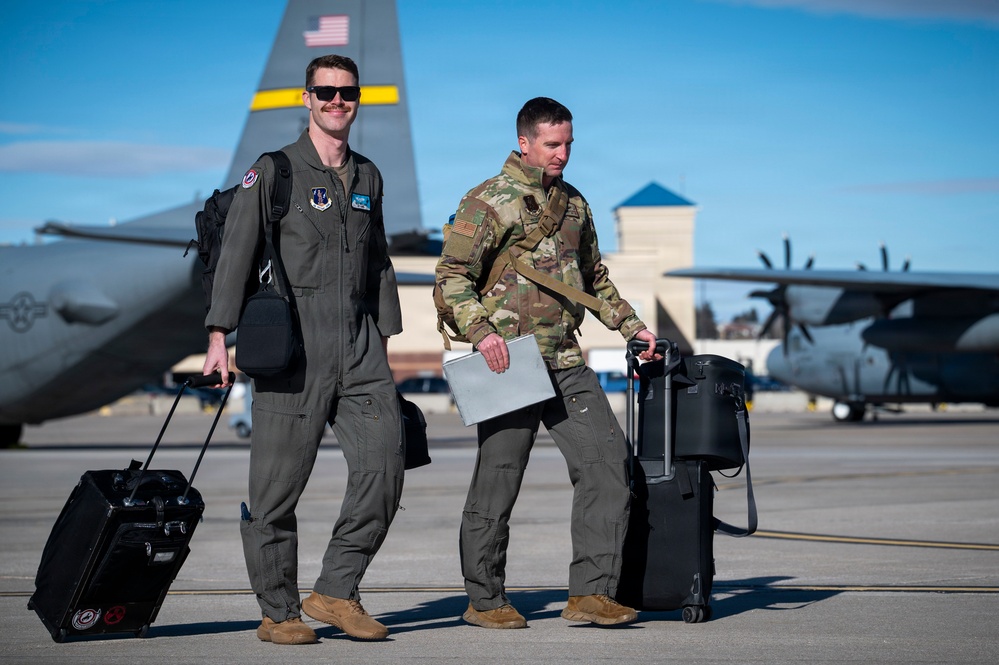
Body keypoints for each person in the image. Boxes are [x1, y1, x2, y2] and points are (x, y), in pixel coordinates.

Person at [435, 97, 661, 629]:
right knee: (499, 480)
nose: (562, 153)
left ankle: (591, 594)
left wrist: (633, 327)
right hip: (509, 362)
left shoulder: (574, 204)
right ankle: (485, 600)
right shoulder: (488, 201)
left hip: (565, 359)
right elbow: (451, 275)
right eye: (552, 144)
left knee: (608, 466)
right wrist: (482, 332)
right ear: (525, 143)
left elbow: (594, 278)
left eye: (568, 144)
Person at [203, 54, 404, 645]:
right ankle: (278, 612)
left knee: (386, 464)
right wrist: (218, 336)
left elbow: (379, 261)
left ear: (358, 99)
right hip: (294, 344)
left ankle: (336, 590)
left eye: (348, 93)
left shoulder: (368, 176)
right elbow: (236, 254)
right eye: (326, 92)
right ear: (307, 98)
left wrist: (385, 338)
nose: (337, 101)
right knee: (276, 487)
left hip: (360, 344)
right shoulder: (274, 171)